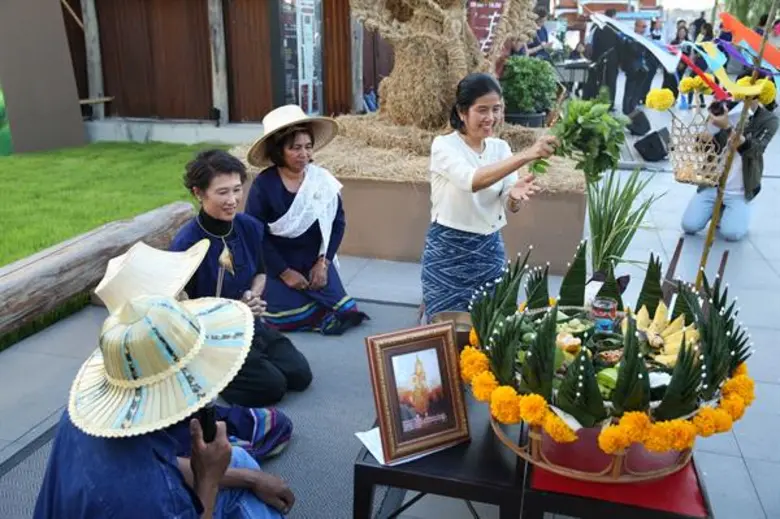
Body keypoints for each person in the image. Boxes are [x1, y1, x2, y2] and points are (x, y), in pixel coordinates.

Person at [34, 261, 296, 518]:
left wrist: (248, 479)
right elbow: (158, 486)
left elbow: (163, 461)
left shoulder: (91, 416)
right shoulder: (154, 498)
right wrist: (209, 482)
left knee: (239, 460)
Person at [171, 149, 313, 407]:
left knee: (300, 375)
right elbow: (181, 311)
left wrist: (253, 295)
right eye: (222, 192)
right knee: (273, 388)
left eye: (237, 189)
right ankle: (212, 374)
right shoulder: (186, 244)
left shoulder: (247, 226)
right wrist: (234, 310)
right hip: (212, 338)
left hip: (250, 326)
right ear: (198, 193)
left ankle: (253, 360)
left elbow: (260, 272)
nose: (233, 199)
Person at [420, 73, 557, 321]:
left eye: (497, 109)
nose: (491, 118)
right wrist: (528, 154)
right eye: (482, 110)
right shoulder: (444, 146)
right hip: (449, 250)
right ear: (462, 112)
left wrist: (514, 197)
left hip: (489, 250)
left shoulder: (500, 148)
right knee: (446, 329)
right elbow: (472, 180)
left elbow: (509, 203)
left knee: (492, 326)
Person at [244, 105, 369, 335]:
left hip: (314, 262)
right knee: (282, 318)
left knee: (347, 309)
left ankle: (320, 310)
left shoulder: (321, 181)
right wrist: (284, 272)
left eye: (308, 147)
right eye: (295, 148)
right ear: (279, 150)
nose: (304, 155)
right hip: (276, 264)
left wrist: (324, 263)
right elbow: (255, 235)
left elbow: (337, 224)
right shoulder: (264, 186)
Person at [681, 96, 779, 242]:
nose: (740, 97)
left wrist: (727, 127)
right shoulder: (725, 109)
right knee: (689, 225)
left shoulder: (767, 119)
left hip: (739, 189)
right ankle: (717, 208)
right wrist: (712, 124)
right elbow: (701, 145)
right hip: (713, 184)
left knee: (732, 233)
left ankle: (734, 212)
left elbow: (754, 151)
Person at [584, 9, 620, 110]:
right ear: (613, 16)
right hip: (612, 60)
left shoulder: (596, 27)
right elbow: (619, 45)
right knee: (611, 83)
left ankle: (598, 101)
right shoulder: (614, 28)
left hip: (598, 60)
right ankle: (610, 104)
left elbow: (591, 42)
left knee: (599, 82)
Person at [619, 19, 650, 115]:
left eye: (645, 27)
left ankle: (633, 106)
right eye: (642, 26)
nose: (644, 29)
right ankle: (626, 109)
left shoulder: (643, 39)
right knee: (630, 89)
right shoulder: (630, 38)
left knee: (638, 89)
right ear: (636, 26)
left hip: (641, 68)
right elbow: (634, 51)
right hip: (632, 68)